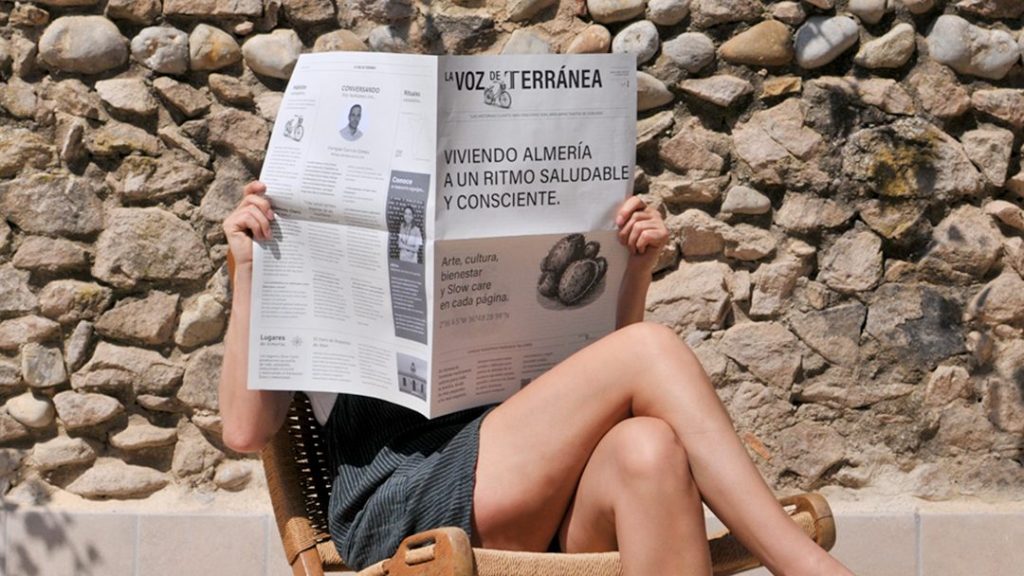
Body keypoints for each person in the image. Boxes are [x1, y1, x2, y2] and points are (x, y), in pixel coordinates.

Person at [220, 181, 855, 576]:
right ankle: (804, 566)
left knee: (649, 448)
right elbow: (246, 432)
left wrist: (635, 267)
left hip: (527, 484)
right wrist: (249, 270)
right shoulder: (304, 259)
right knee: (649, 348)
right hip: (404, 508)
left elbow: (612, 393)